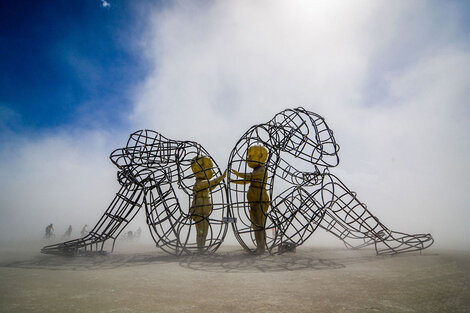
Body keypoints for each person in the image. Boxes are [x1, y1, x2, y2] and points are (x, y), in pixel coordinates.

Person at [231, 145, 269, 253]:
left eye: (251, 155)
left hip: (260, 201)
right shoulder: (256, 171)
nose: (249, 158)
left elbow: (250, 177)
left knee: (259, 225)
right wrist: (234, 181)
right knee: (256, 225)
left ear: (260, 157)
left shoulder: (261, 170)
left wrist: (238, 174)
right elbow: (246, 181)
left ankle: (261, 248)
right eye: (249, 155)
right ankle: (260, 246)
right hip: (253, 202)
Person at [190, 156, 226, 252]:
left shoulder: (204, 184)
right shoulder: (198, 183)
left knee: (205, 231)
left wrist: (218, 181)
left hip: (205, 211)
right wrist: (221, 177)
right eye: (208, 168)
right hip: (198, 211)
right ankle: (200, 248)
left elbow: (210, 186)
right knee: (200, 230)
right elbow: (209, 183)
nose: (211, 171)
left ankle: (201, 248)